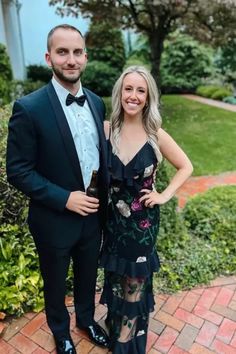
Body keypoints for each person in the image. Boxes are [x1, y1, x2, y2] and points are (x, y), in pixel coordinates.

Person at [6, 24, 110, 354]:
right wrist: (64, 198)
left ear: (85, 57)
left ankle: (86, 320)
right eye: (62, 52)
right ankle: (60, 331)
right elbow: (18, 171)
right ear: (49, 57)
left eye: (77, 52)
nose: (71, 59)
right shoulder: (29, 108)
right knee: (54, 281)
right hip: (54, 218)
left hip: (93, 215)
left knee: (87, 273)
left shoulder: (95, 102)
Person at [100, 65, 193, 353]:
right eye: (129, 89)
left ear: (148, 96)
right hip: (113, 222)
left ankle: (126, 342)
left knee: (136, 281)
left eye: (141, 90)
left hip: (142, 225)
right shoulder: (107, 129)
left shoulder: (156, 134)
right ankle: (114, 324)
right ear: (120, 92)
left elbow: (186, 166)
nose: (134, 95)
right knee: (116, 276)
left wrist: (164, 195)